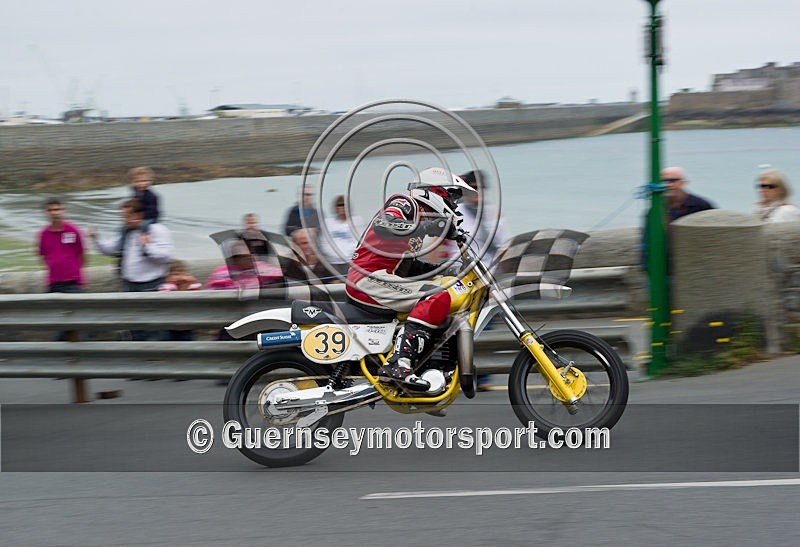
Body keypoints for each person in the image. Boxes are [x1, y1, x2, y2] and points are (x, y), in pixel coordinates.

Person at [346, 167, 475, 390]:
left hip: (381, 279)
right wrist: (430, 226)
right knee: (436, 296)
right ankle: (399, 365)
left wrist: (445, 270)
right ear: (435, 191)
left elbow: (407, 267)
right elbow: (385, 225)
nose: (455, 204)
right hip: (368, 279)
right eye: (452, 197)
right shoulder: (405, 203)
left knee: (439, 289)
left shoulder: (418, 222)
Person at [90, 199, 174, 340]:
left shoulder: (157, 230)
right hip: (130, 288)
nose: (124, 220)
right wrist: (96, 239)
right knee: (134, 327)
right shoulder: (127, 232)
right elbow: (112, 248)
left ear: (138, 215)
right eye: (123, 217)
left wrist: (146, 246)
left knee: (154, 328)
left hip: (151, 288)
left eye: (127, 216)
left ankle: (156, 357)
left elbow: (166, 256)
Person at [457, 170, 510, 391]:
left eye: (480, 189)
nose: (476, 193)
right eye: (472, 189)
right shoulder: (455, 213)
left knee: (484, 330)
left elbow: (504, 247)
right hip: (459, 281)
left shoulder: (492, 214)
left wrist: (504, 280)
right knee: (460, 330)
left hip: (487, 282)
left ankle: (484, 377)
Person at [37, 197, 86, 342]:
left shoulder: (73, 230)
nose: (55, 213)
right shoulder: (43, 234)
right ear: (46, 213)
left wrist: (73, 271)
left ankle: (79, 354)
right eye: (51, 210)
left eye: (57, 209)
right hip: (53, 285)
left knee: (77, 324)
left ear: (63, 210)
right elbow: (43, 257)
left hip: (72, 284)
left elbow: (82, 255)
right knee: (58, 323)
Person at [317, 195, 365, 276]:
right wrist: (334, 255)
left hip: (351, 262)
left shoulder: (357, 221)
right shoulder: (328, 223)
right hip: (332, 262)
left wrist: (349, 255)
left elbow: (360, 241)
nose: (342, 208)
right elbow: (323, 242)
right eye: (339, 205)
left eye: (344, 205)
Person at [158, 260, 202, 341]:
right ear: (168, 276)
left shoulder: (191, 284)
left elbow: (198, 297)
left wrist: (189, 282)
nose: (179, 277)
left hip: (187, 326)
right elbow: (165, 299)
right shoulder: (167, 286)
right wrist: (175, 284)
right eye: (175, 274)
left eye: (182, 273)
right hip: (169, 326)